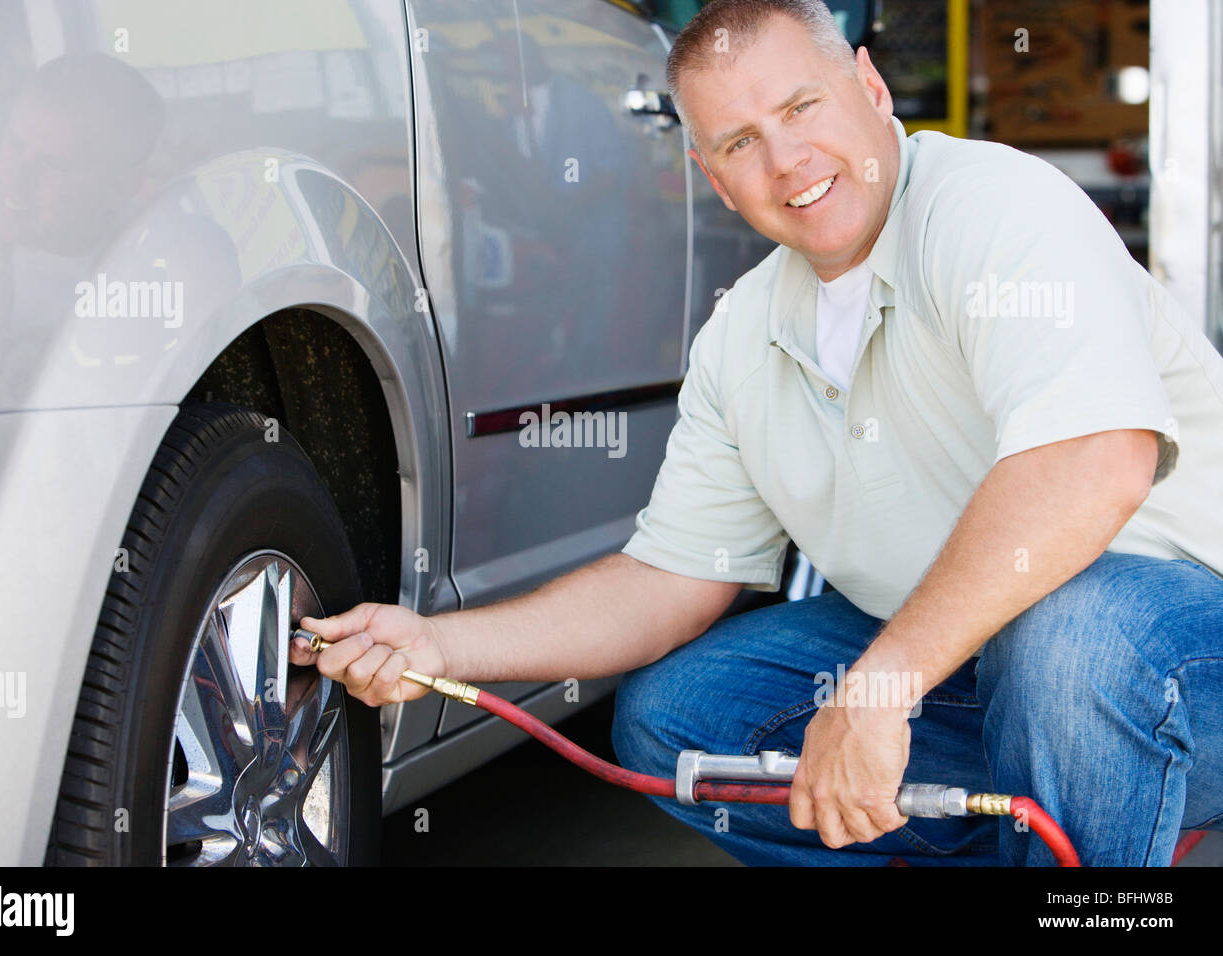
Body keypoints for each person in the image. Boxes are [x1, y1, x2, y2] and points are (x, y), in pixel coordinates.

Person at [289, 0, 1223, 866]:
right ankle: (1067, 828)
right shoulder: (743, 336)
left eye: (803, 107)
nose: (787, 161)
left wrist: (880, 689)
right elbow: (669, 583)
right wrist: (441, 646)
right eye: (741, 142)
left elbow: (1096, 462)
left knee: (1073, 637)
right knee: (680, 715)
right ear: (712, 177)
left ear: (869, 86)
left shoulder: (994, 210)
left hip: (1181, 651)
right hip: (991, 675)